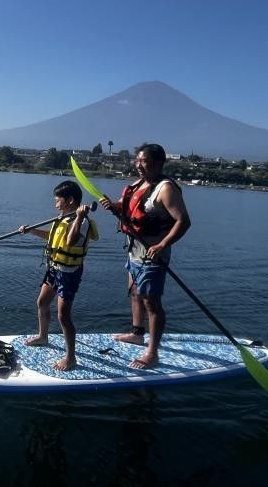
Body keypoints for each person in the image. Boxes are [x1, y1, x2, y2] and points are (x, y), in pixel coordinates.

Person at [100, 143, 191, 370]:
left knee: (152, 302)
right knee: (135, 294)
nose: (139, 165)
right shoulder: (138, 183)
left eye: (145, 161)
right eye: (137, 160)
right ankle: (137, 334)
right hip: (134, 248)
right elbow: (127, 206)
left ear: (159, 164)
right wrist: (113, 205)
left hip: (153, 253)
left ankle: (153, 353)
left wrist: (162, 244)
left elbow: (183, 221)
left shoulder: (166, 188)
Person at [19, 180, 98, 371]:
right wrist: (31, 231)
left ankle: (71, 358)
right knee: (42, 302)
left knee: (63, 315)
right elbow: (52, 237)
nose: (55, 201)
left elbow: (70, 242)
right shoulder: (62, 217)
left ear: (70, 200)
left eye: (58, 198)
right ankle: (43, 336)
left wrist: (79, 218)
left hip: (69, 273)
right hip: (54, 268)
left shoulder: (83, 222)